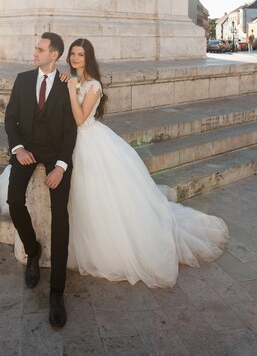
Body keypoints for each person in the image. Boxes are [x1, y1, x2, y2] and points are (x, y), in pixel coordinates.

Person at [61, 38, 229, 288]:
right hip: (72, 142)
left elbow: (79, 118)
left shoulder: (93, 85)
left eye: (80, 54)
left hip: (89, 142)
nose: (75, 58)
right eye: (73, 53)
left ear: (88, 59)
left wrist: (70, 89)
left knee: (95, 195)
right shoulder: (73, 81)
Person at [4, 32, 77, 328]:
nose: (35, 52)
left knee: (60, 216)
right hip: (27, 150)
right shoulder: (22, 79)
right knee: (13, 200)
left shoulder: (65, 84)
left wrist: (60, 166)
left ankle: (57, 292)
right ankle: (32, 249)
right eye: (36, 48)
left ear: (54, 55)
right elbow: (10, 118)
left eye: (40, 49)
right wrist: (18, 148)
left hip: (57, 153)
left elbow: (71, 129)